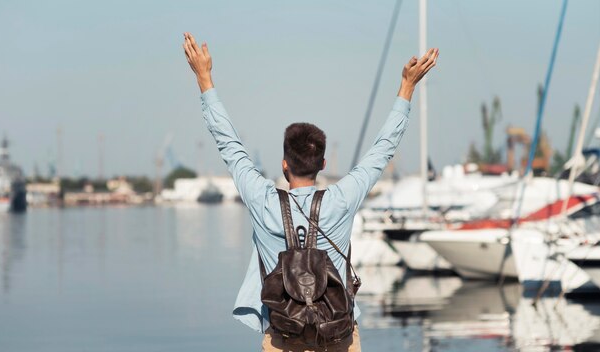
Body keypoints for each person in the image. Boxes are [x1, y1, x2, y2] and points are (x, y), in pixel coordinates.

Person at [182, 32, 438, 351]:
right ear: (323, 164)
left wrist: (204, 78)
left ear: (284, 164)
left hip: (282, 335)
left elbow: (229, 144)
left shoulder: (262, 200)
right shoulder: (342, 198)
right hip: (338, 335)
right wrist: (407, 87)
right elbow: (382, 150)